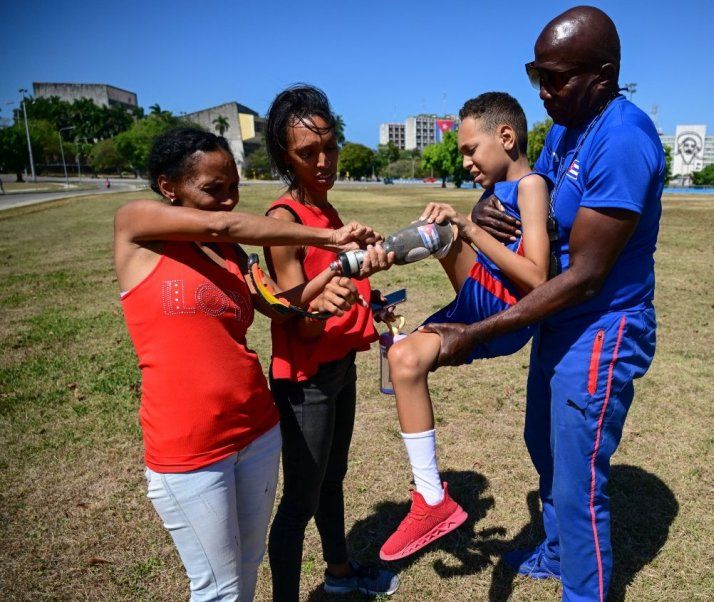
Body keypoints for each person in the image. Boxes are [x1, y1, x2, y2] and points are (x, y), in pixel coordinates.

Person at [421, 7, 665, 601]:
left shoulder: (624, 139)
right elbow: (532, 200)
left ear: (603, 76)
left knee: (579, 477)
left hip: (603, 324)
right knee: (544, 443)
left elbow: (583, 276)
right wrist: (484, 208)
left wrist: (477, 333)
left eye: (556, 78)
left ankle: (585, 591)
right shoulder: (563, 129)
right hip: (559, 320)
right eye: (538, 77)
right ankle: (557, 552)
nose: (544, 92)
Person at [114, 127, 376, 601]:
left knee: (247, 571)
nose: (229, 202)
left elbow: (279, 306)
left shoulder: (232, 254)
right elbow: (223, 225)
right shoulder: (136, 226)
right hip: (189, 445)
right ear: (167, 185)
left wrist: (334, 276)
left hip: (255, 429)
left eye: (234, 187)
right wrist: (330, 237)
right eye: (213, 190)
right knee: (219, 588)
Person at [379, 92, 551, 561]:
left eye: (471, 149)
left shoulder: (531, 185)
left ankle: (431, 500)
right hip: (478, 293)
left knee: (405, 355)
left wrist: (469, 228)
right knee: (403, 355)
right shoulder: (495, 190)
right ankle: (431, 498)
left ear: (507, 137)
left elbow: (537, 277)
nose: (468, 161)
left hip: (501, 312)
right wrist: (464, 220)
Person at [262, 84, 400, 600]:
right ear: (283, 155)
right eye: (307, 152)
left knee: (333, 479)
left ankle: (339, 574)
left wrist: (370, 299)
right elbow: (296, 318)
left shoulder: (328, 211)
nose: (323, 161)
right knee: (299, 499)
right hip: (306, 381)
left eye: (330, 147)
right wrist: (325, 306)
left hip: (341, 365)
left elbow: (336, 285)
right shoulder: (285, 220)